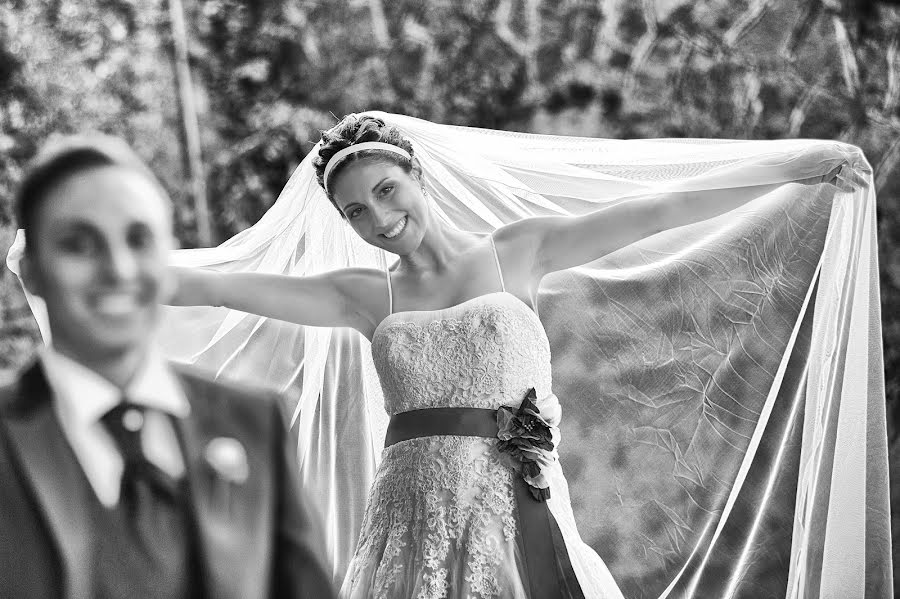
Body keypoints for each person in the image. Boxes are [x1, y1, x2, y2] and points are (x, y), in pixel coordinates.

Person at [168, 114, 847, 598]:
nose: (377, 219)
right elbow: (215, 283)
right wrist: (76, 279)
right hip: (409, 531)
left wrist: (794, 167)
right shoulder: (364, 296)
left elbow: (659, 210)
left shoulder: (517, 252)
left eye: (384, 190)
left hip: (512, 513)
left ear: (415, 172)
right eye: (355, 213)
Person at [0, 134, 336, 599]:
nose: (118, 269)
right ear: (31, 270)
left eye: (139, 239)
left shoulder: (254, 422)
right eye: (79, 244)